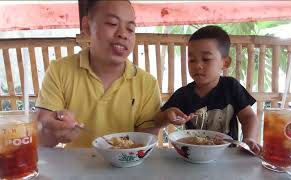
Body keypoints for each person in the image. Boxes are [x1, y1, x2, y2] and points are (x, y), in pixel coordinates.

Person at [36, 0, 161, 148]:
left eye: (130, 29)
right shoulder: (60, 70)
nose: (123, 34)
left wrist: (161, 121)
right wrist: (54, 131)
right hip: (76, 168)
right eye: (112, 24)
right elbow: (41, 137)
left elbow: (145, 144)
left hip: (127, 168)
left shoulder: (147, 83)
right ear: (87, 27)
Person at [155, 26, 261, 154]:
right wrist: (167, 115)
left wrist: (249, 139)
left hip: (227, 157)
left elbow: (248, 117)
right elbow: (157, 121)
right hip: (192, 156)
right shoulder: (184, 94)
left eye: (206, 59)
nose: (197, 65)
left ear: (225, 63)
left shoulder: (231, 87)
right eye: (192, 60)